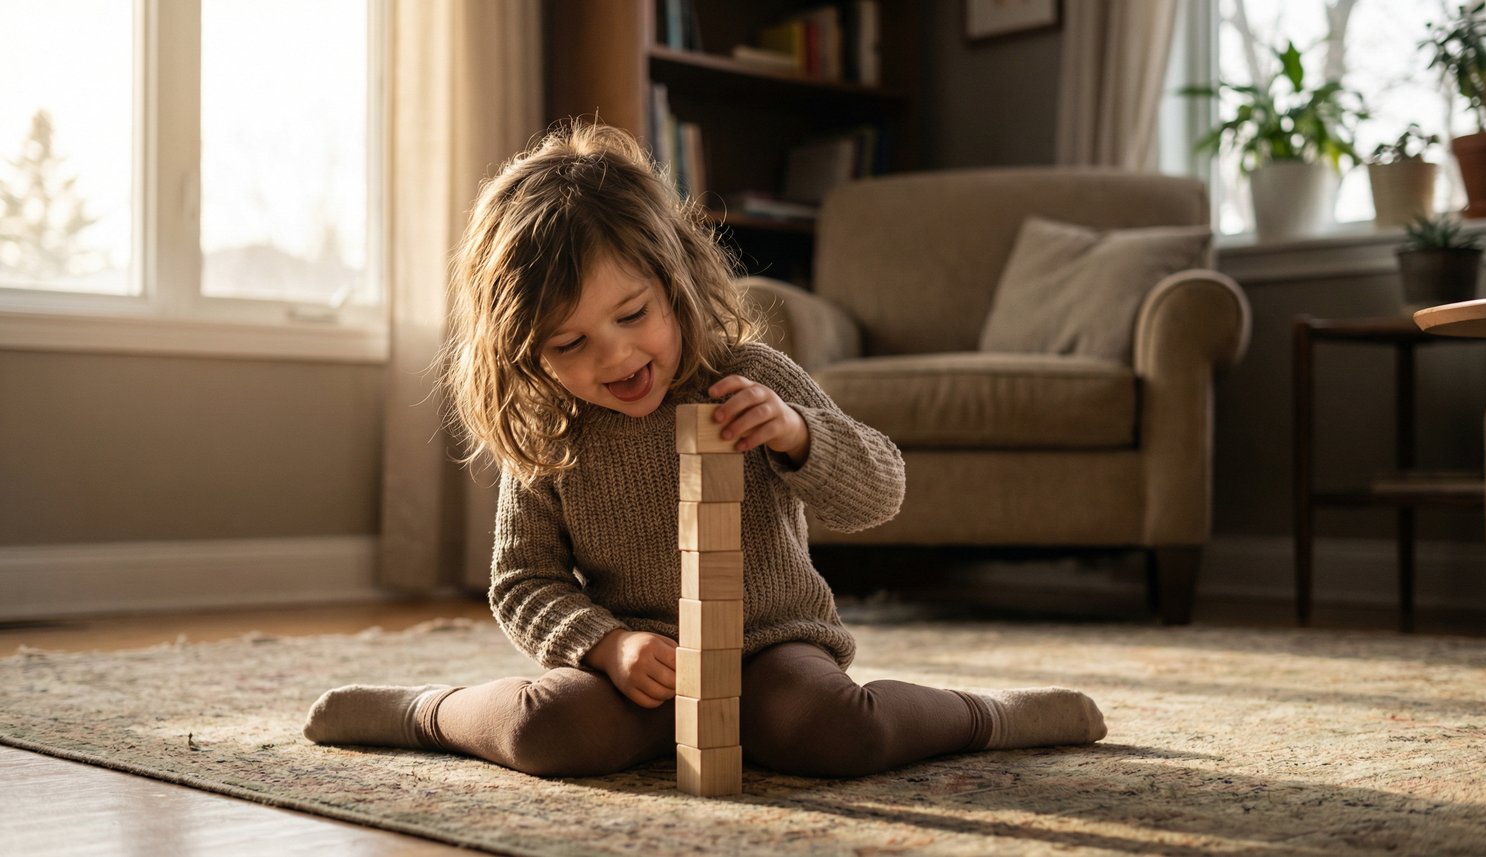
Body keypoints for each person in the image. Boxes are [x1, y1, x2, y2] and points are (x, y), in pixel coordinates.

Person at [302, 122, 1107, 778]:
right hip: (638, 666)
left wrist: (796, 434)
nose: (614, 357)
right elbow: (523, 580)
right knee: (547, 731)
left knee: (835, 733)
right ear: (528, 356)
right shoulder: (551, 430)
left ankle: (991, 714)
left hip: (775, 645)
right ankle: (421, 711)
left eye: (633, 313)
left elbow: (881, 490)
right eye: (570, 342)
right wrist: (608, 646)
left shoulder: (750, 376)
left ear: (676, 276)